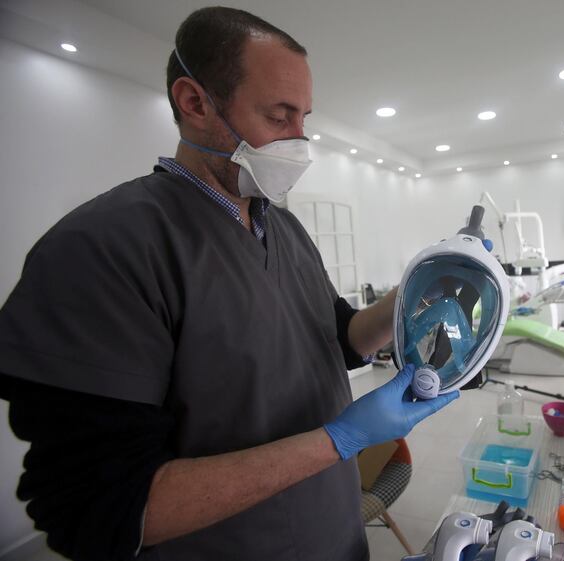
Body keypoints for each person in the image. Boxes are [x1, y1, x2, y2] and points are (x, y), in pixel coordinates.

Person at [0, 7, 458, 561]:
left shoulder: (282, 226)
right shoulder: (104, 248)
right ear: (195, 102)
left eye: (303, 119)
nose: (300, 141)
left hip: (335, 535)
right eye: (278, 115)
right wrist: (339, 440)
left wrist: (416, 289)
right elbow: (99, 507)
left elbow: (333, 339)